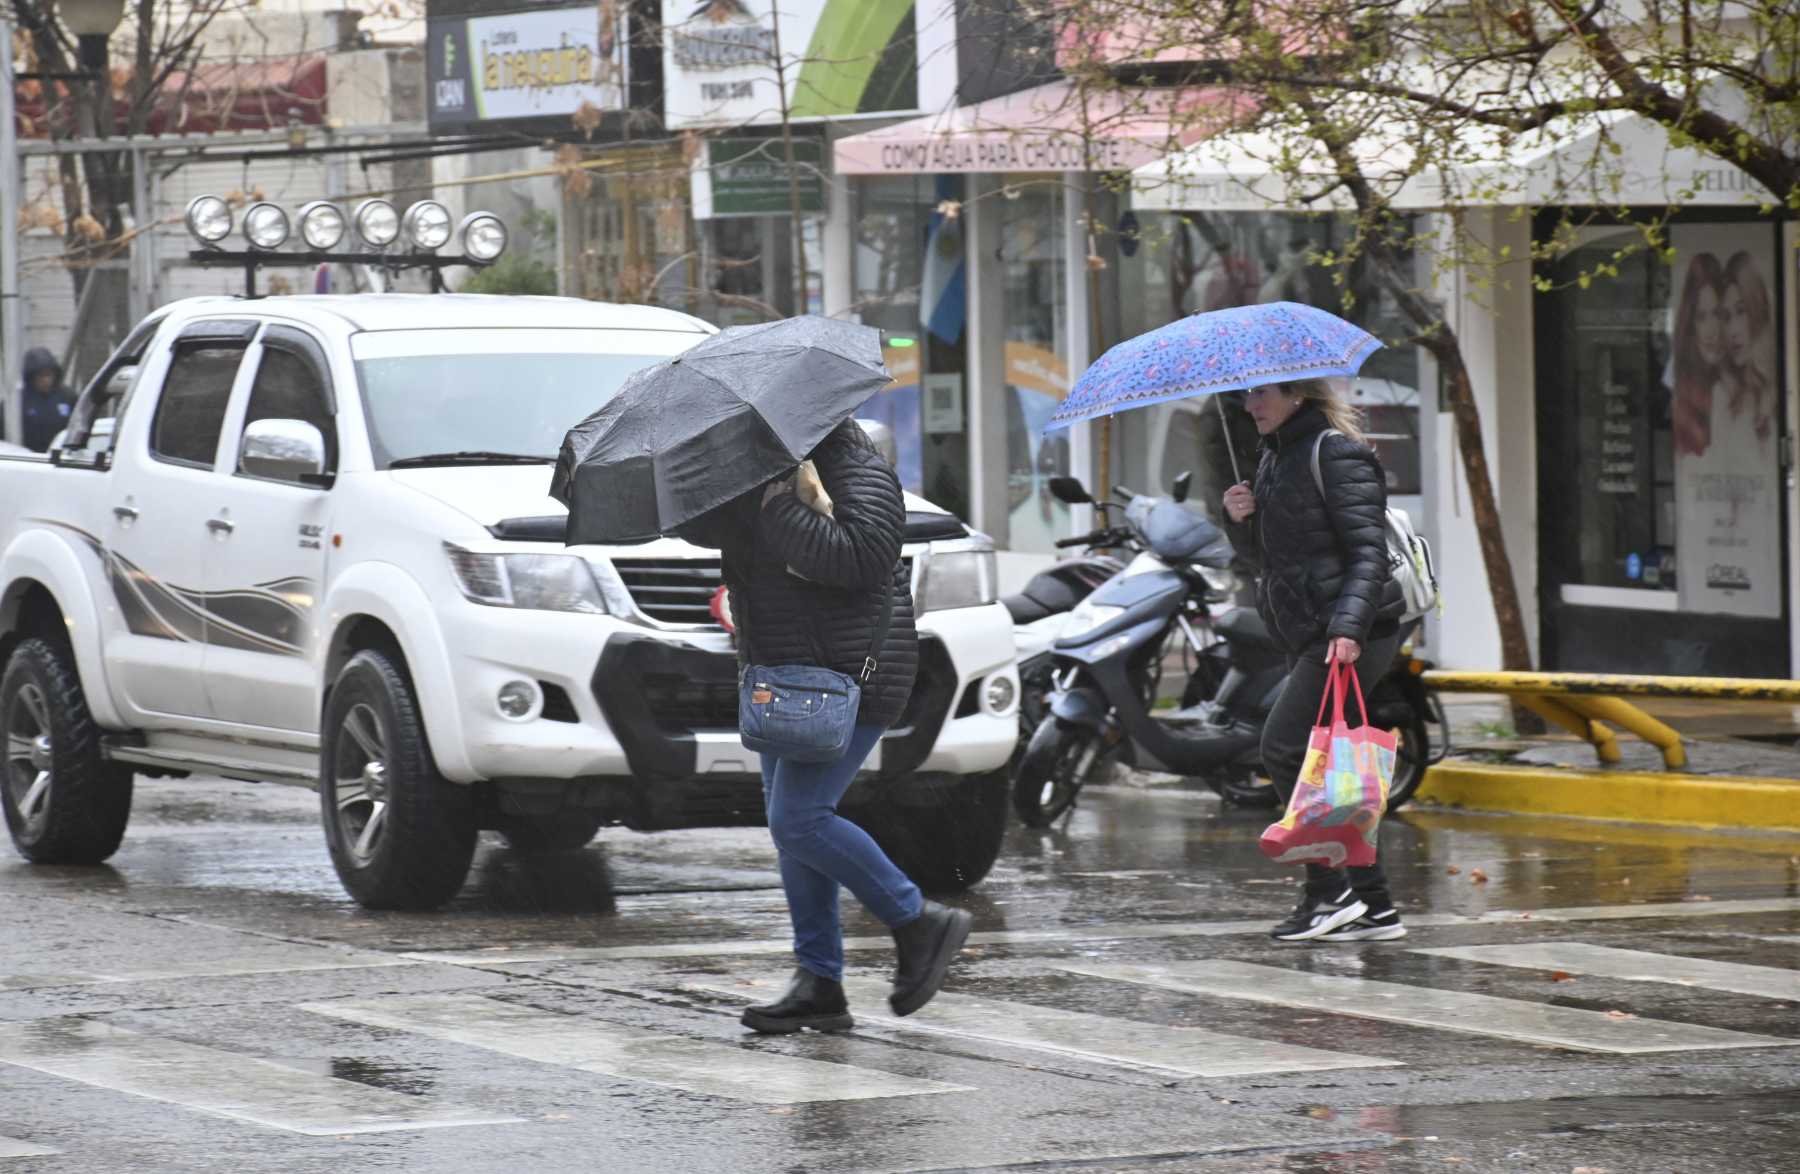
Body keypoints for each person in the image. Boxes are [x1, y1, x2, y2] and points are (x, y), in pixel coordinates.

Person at [677, 419, 973, 1032]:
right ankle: (820, 980)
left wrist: (774, 507)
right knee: (792, 826)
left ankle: (918, 919)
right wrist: (705, 484)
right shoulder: (763, 468)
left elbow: (861, 556)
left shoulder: (852, 464)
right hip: (785, 672)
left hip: (848, 674)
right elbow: (711, 532)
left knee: (800, 818)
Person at [1222, 378, 1406, 943]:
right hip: (1312, 630)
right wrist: (1241, 520)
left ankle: (1329, 893)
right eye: (1246, 396)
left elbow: (1368, 552)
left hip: (1352, 631)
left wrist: (1348, 629)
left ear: (1298, 395)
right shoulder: (1274, 457)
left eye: (1262, 395)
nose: (1251, 405)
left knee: (1283, 746)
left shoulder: (1337, 452)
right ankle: (1375, 908)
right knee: (1325, 762)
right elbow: (1270, 559)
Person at [1668, 253, 1725, 458]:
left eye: (1717, 314)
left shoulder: (1733, 384)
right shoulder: (1685, 392)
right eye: (1701, 317)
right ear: (1691, 324)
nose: (1711, 331)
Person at [12, 348, 76, 453]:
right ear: (31, 377)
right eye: (41, 376)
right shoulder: (18, 401)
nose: (46, 380)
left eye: (49, 375)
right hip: (29, 458)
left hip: (61, 457)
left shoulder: (68, 397)